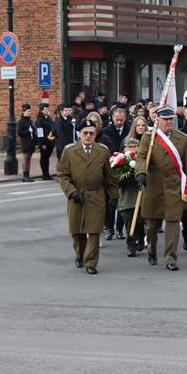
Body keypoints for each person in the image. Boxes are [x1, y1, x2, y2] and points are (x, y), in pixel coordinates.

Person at [56, 118, 119, 275]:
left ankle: (91, 262)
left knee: (94, 230)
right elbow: (62, 175)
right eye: (85, 133)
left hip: (96, 196)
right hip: (76, 196)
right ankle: (80, 254)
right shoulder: (69, 151)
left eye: (91, 133)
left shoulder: (102, 151)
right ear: (80, 134)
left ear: (95, 134)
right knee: (77, 231)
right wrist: (72, 192)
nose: (88, 136)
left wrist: (114, 195)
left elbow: (109, 176)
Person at [134, 105, 187, 271]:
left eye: (171, 119)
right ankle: (151, 250)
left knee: (173, 222)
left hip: (174, 186)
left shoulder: (182, 138)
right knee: (152, 225)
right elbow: (141, 156)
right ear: (157, 120)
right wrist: (141, 172)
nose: (169, 122)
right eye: (165, 119)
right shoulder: (149, 137)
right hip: (153, 185)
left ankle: (170, 258)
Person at [101, 108, 131, 241]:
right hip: (110, 170)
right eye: (117, 120)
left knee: (122, 202)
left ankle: (119, 228)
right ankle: (109, 228)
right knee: (111, 202)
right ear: (112, 118)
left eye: (121, 120)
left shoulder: (129, 130)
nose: (119, 122)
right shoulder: (106, 132)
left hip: (125, 168)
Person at [117, 137, 145, 258]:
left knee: (141, 221)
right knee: (129, 223)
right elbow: (117, 179)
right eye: (129, 147)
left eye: (135, 147)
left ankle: (141, 238)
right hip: (127, 199)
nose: (132, 149)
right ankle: (131, 246)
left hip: (142, 197)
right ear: (124, 149)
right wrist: (129, 173)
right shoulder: (119, 161)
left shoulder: (143, 160)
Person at [35, 103, 56, 181]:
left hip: (50, 141)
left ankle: (47, 173)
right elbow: (39, 132)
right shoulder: (39, 120)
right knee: (44, 158)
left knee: (47, 158)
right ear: (41, 110)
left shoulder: (49, 118)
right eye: (45, 109)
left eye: (47, 109)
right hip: (44, 142)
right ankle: (45, 174)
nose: (47, 110)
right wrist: (42, 143)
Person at [17, 103, 37, 182]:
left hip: (31, 142)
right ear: (23, 112)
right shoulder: (21, 122)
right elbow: (19, 133)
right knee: (25, 158)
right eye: (28, 111)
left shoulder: (30, 121)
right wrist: (28, 131)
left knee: (29, 159)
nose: (29, 113)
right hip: (25, 141)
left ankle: (28, 174)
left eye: (30, 111)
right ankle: (25, 175)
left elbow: (34, 130)